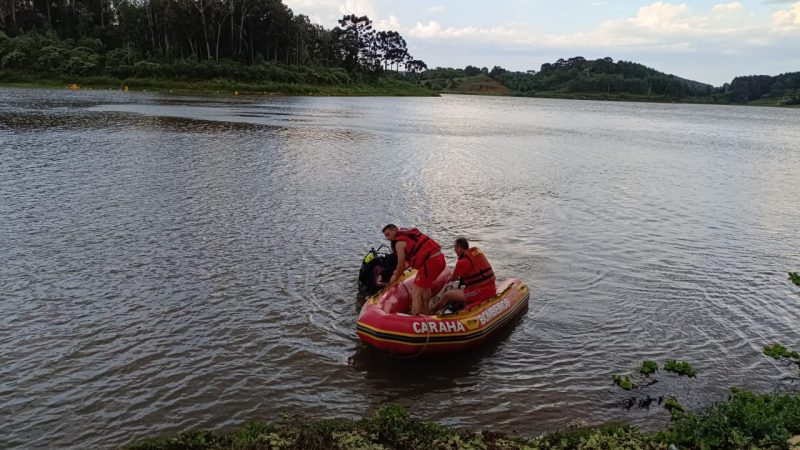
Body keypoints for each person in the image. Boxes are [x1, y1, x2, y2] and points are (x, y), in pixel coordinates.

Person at [382, 224, 446, 315]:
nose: (388, 238)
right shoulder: (410, 234)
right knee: (425, 286)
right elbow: (415, 257)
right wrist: (399, 270)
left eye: (388, 234)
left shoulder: (399, 243)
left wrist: (395, 278)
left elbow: (400, 265)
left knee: (415, 293)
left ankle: (415, 318)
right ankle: (426, 310)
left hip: (431, 264)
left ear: (394, 230)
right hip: (440, 259)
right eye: (386, 236)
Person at [431, 237, 497, 313]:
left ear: (459, 249)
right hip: (491, 287)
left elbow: (453, 278)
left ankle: (431, 311)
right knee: (457, 291)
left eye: (455, 247)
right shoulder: (476, 254)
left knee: (447, 295)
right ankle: (464, 306)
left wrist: (445, 280)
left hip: (481, 291)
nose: (454, 250)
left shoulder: (462, 262)